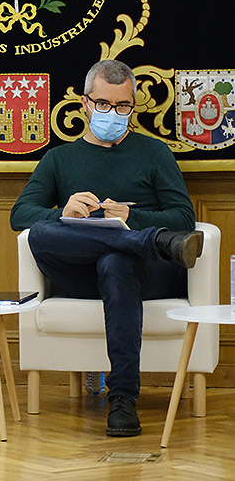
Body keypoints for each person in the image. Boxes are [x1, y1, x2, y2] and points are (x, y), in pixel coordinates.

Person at [10, 59, 204, 437]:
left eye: (123, 107)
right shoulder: (59, 158)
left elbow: (183, 218)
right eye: (103, 105)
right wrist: (62, 211)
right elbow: (20, 213)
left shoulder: (154, 153)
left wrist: (132, 216)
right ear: (85, 104)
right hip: (82, 272)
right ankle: (144, 241)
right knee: (39, 233)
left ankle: (122, 399)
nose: (113, 114)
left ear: (133, 105)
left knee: (116, 260)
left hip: (143, 273)